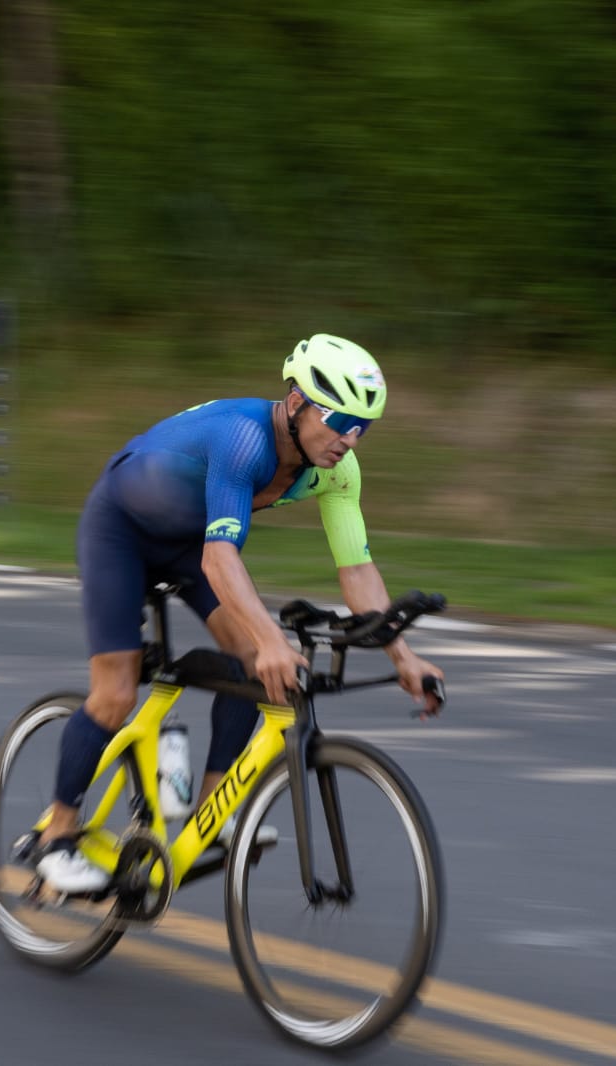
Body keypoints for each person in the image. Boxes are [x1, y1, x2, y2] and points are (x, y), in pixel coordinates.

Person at [36, 333, 445, 892]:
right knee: (115, 694)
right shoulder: (244, 440)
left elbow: (356, 569)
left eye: (363, 428)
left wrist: (402, 653)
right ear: (298, 403)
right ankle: (56, 837)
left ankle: (211, 815)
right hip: (122, 531)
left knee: (257, 665)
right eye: (342, 420)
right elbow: (220, 556)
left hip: (189, 543)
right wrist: (272, 639)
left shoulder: (336, 471)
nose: (349, 441)